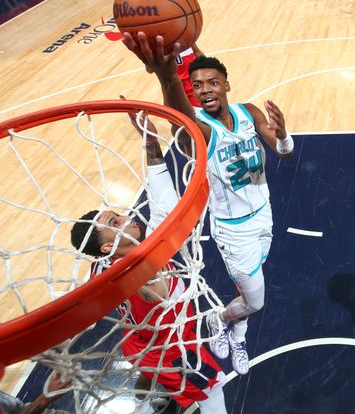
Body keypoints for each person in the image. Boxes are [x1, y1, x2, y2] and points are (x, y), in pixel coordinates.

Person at [121, 33, 294, 376]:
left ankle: (239, 331)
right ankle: (220, 318)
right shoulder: (199, 128)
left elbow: (284, 151)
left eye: (213, 82)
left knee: (248, 286)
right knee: (256, 300)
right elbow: (178, 117)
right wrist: (167, 76)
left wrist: (284, 133)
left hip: (265, 215)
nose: (205, 90)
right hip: (233, 231)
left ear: (227, 85)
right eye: (197, 85)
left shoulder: (250, 111)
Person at [70, 101, 227, 413]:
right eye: (115, 224)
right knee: (213, 389)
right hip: (170, 346)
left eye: (118, 215)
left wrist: (150, 140)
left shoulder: (102, 263)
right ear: (106, 247)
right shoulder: (132, 272)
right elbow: (155, 292)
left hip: (139, 340)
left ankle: (143, 405)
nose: (127, 218)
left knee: (148, 373)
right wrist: (149, 275)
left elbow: (160, 194)